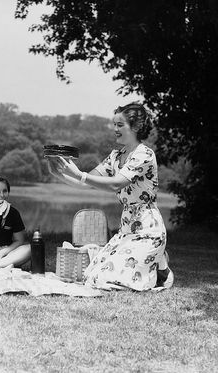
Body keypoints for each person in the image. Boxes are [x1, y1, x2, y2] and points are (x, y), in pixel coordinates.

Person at [47, 102, 173, 291]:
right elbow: (87, 183)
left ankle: (160, 270)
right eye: (114, 124)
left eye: (120, 125)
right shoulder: (115, 156)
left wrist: (79, 173)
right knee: (93, 275)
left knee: (114, 280)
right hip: (126, 228)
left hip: (148, 228)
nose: (115, 129)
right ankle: (156, 263)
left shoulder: (144, 154)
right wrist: (58, 174)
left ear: (136, 127)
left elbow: (116, 183)